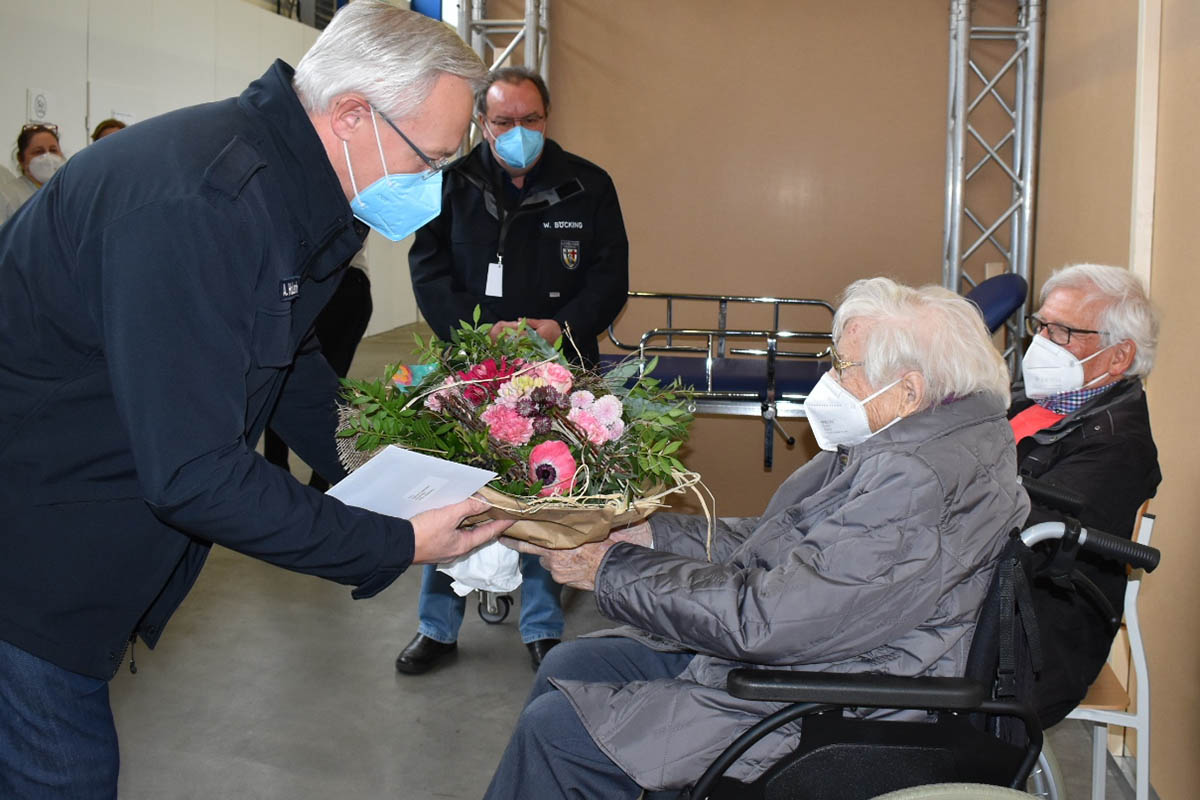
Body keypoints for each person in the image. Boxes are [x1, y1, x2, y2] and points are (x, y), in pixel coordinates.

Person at [0, 3, 511, 796]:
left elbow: (286, 362)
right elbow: (195, 473)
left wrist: (390, 463)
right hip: (31, 558)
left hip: (83, 533)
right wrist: (395, 541)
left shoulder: (291, 193)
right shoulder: (202, 204)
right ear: (351, 116)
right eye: (429, 161)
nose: (434, 188)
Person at [484, 277, 1030, 798]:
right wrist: (648, 535)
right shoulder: (929, 440)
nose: (829, 379)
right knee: (569, 668)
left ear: (908, 390)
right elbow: (778, 545)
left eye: (842, 366)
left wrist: (611, 569)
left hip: (827, 702)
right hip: (813, 662)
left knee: (556, 732)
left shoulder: (912, 480)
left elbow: (768, 621)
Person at [399, 66, 630, 676]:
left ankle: (542, 627)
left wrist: (561, 328)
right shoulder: (450, 183)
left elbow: (611, 274)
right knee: (454, 490)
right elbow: (428, 269)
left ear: (547, 119)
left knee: (546, 487)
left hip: (560, 363)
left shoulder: (587, 184)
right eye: (504, 121)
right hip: (471, 363)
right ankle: (437, 627)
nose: (518, 131)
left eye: (531, 120)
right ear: (483, 122)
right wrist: (472, 338)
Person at [1008, 263, 1161, 726]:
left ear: (1119, 357)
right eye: (1042, 325)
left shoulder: (1119, 446)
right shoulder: (1040, 401)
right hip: (998, 600)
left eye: (1064, 332)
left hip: (1039, 631)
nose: (1042, 343)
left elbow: (1024, 538)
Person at [264, 248, 374, 492]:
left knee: (322, 382)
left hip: (343, 284)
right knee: (282, 375)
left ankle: (321, 476)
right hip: (318, 284)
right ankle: (282, 467)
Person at [0, 122, 65, 225]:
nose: (48, 158)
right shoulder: (8, 196)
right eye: (38, 152)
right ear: (21, 159)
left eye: (53, 150)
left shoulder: (67, 192)